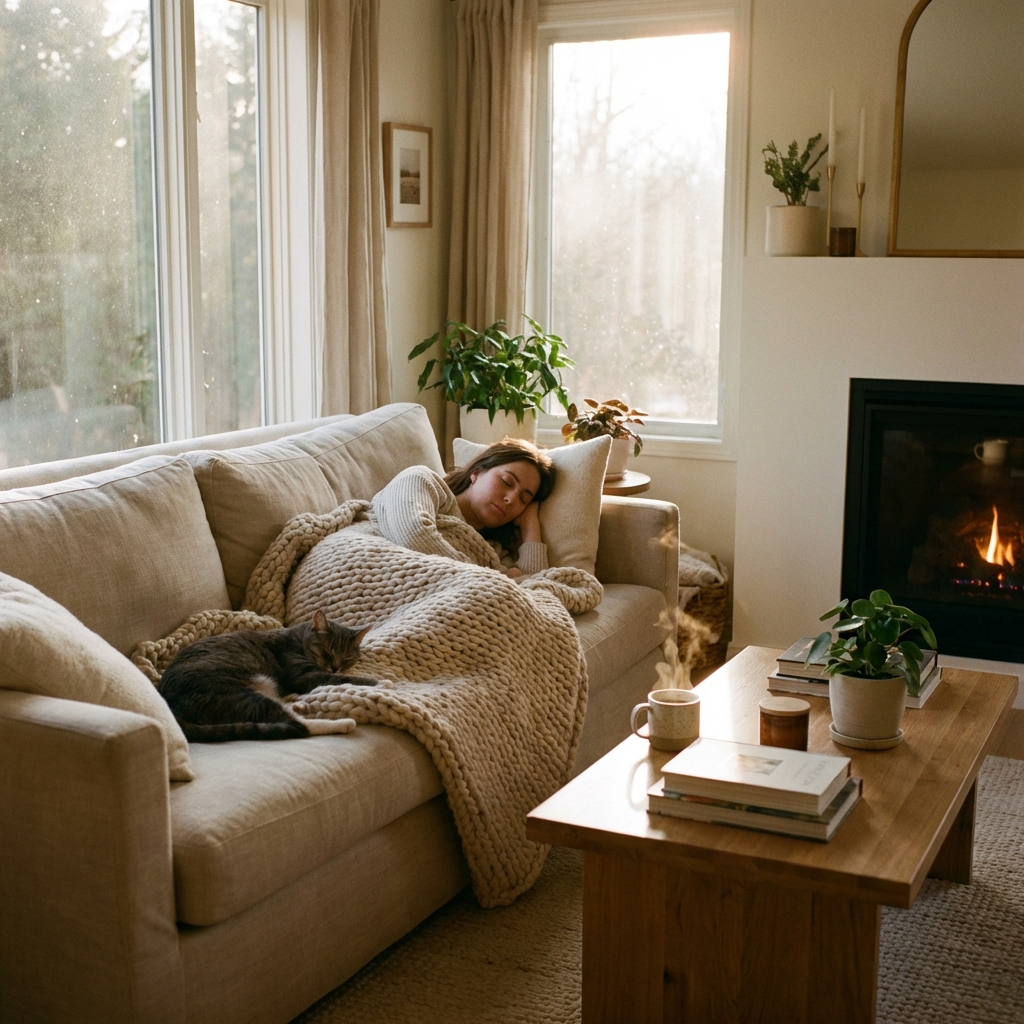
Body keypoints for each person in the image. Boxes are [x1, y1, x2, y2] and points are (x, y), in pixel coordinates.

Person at [371, 438, 555, 577]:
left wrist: (530, 525)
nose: (511, 499)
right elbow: (413, 535)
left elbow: (536, 588)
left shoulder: (493, 551)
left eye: (524, 499)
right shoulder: (421, 481)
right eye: (506, 482)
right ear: (476, 473)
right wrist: (492, 578)